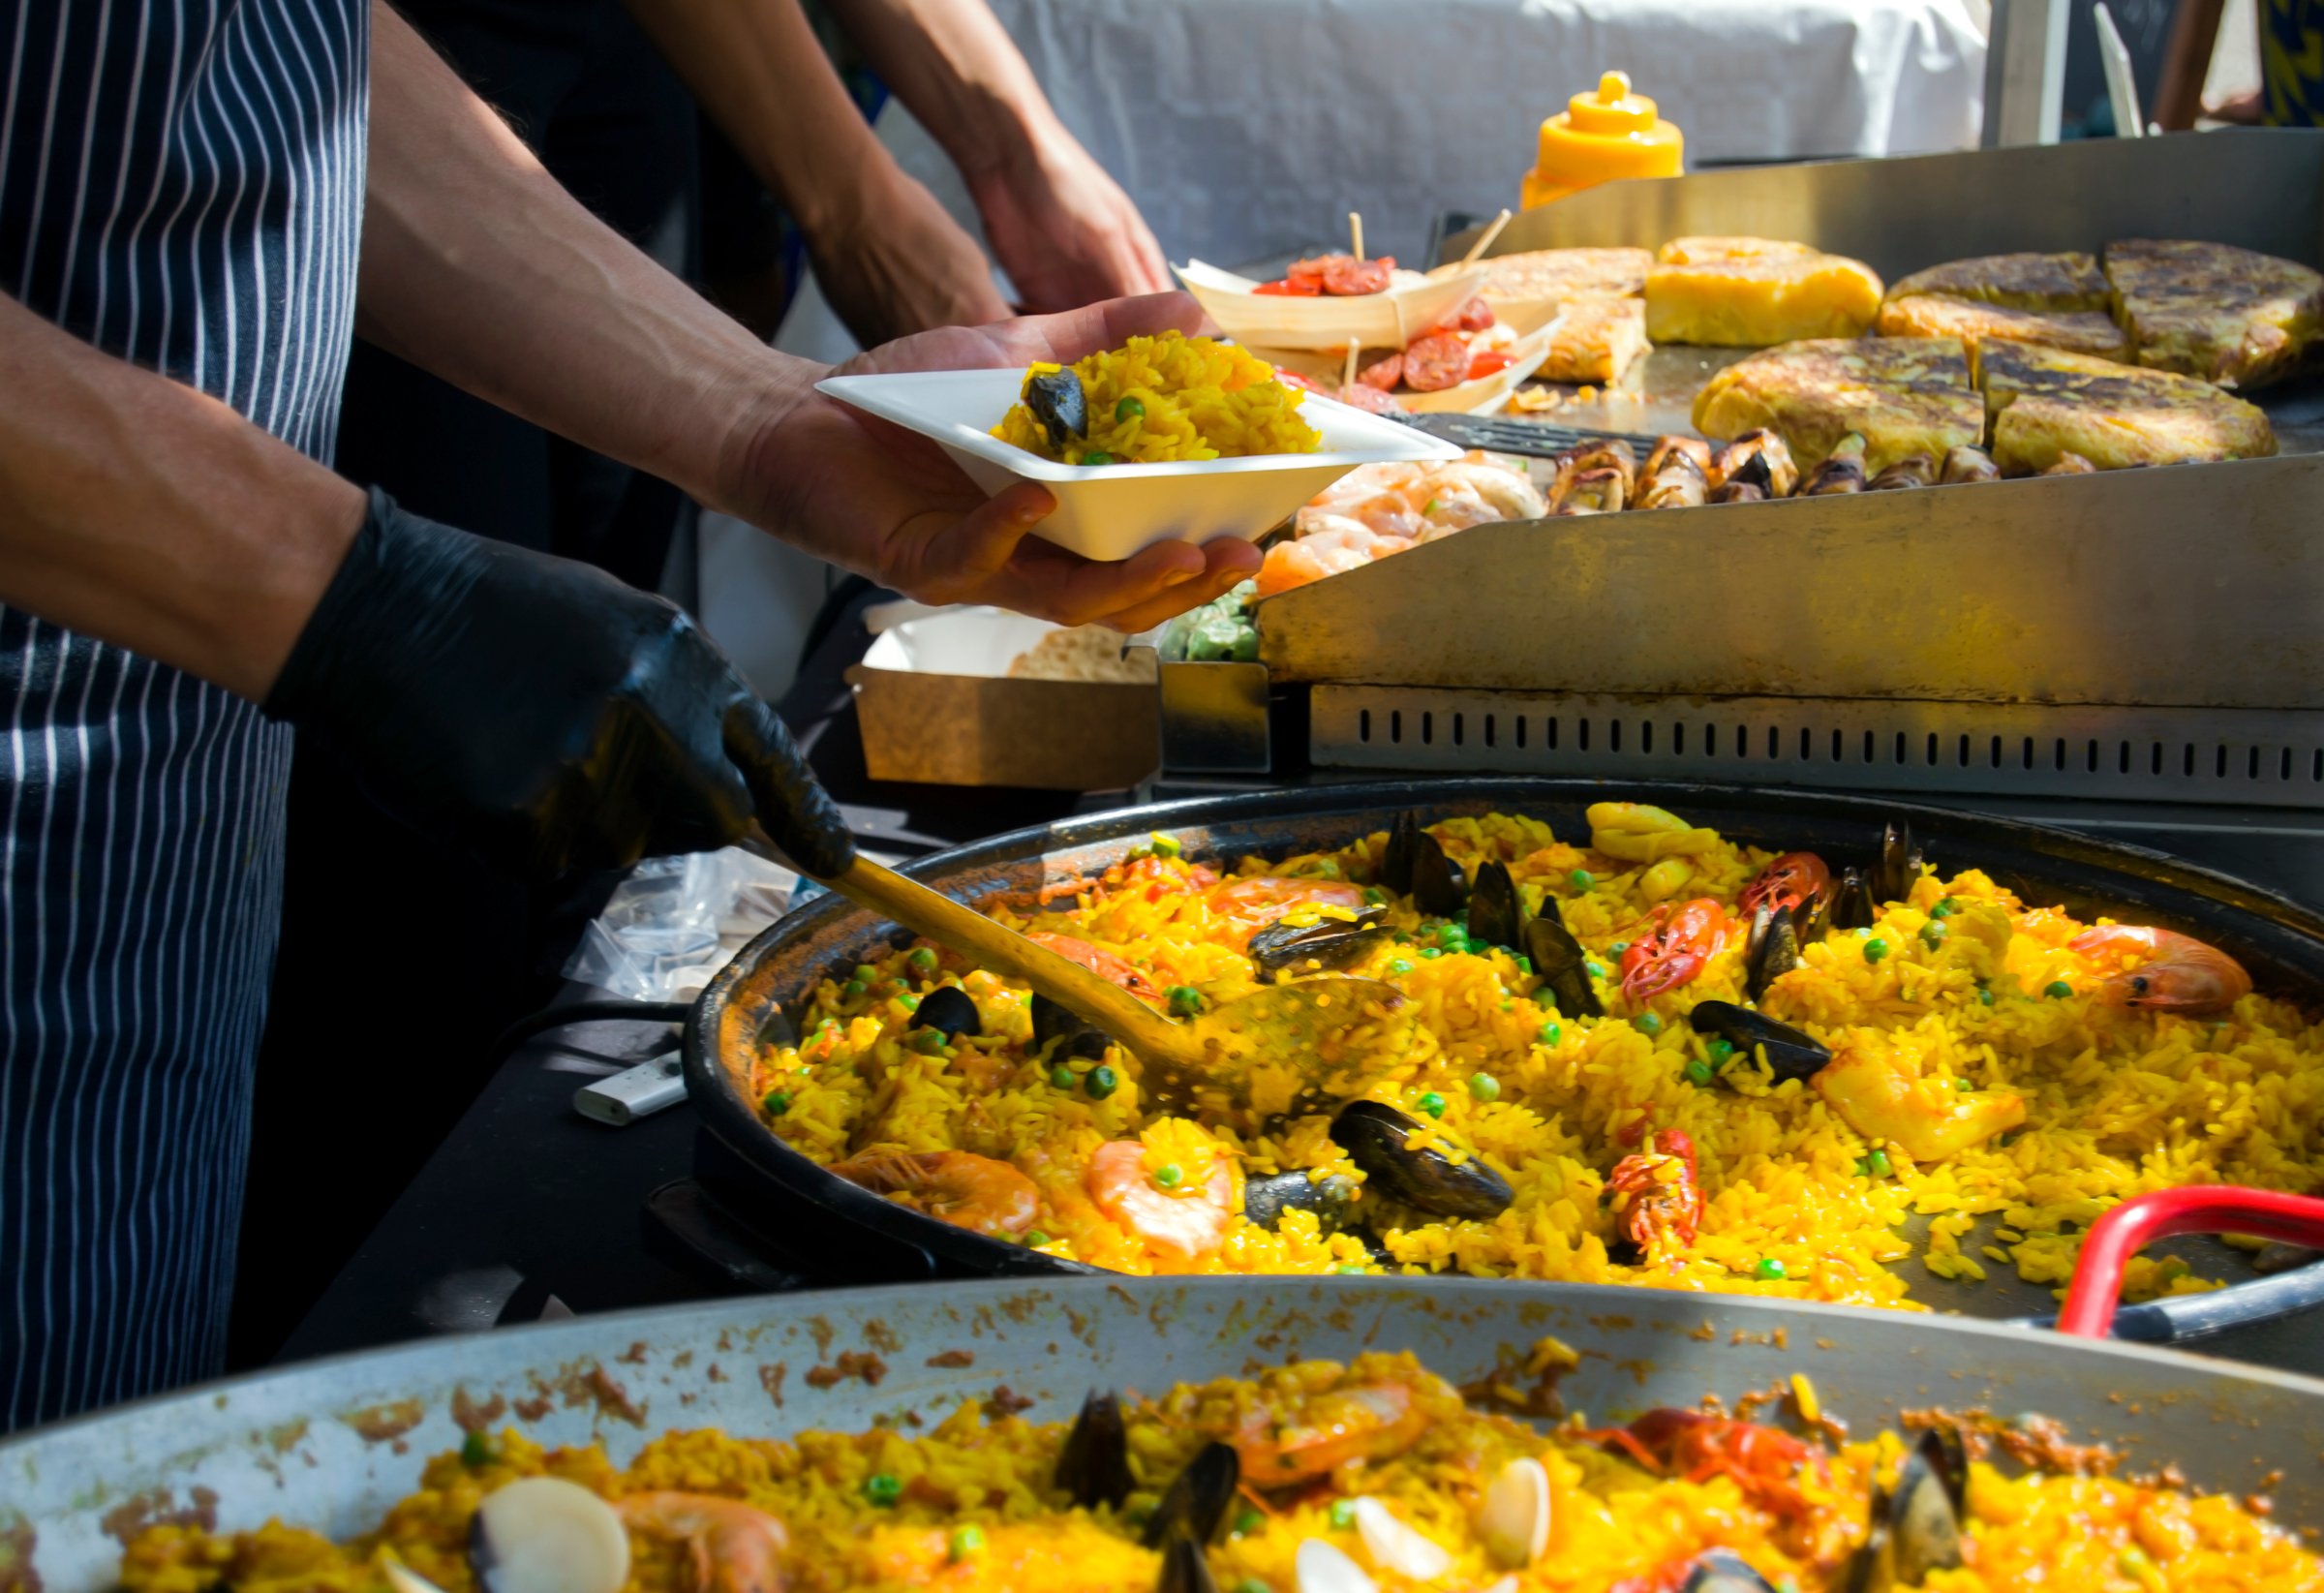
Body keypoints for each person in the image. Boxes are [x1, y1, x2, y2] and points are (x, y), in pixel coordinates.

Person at [0, 0, 1258, 1431]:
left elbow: (259, 63)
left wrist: (769, 418)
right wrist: (342, 585)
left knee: (117, 1397)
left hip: (177, 779)